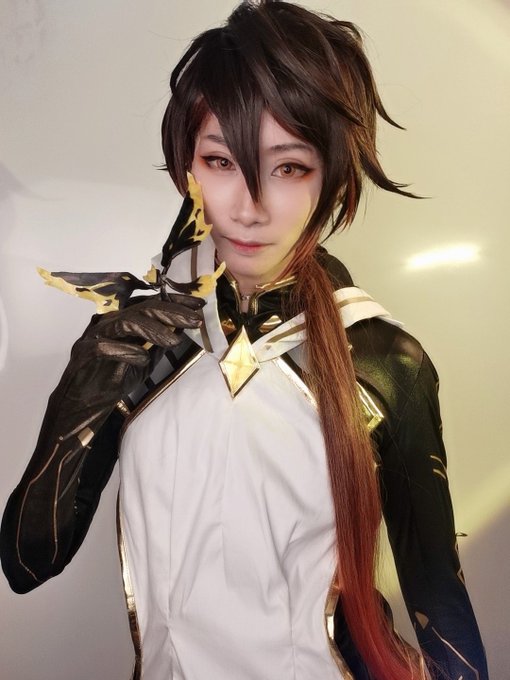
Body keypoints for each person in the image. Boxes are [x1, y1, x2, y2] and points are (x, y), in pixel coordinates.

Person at [0, 2, 488, 679]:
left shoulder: (383, 360)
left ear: (331, 175)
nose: (249, 207)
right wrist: (77, 403)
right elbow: (27, 565)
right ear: (187, 165)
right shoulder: (136, 345)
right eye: (221, 160)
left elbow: (442, 609)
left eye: (288, 168)